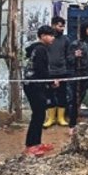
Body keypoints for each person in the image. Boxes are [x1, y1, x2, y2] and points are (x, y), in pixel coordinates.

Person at [23, 25, 58, 156]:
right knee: (38, 115)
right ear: (42, 36)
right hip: (34, 86)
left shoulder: (35, 48)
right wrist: (51, 81)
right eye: (50, 35)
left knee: (40, 114)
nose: (53, 38)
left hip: (33, 85)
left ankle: (37, 143)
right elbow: (41, 71)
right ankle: (30, 145)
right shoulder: (40, 49)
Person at [43, 16, 73, 128]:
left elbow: (68, 55)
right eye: (60, 26)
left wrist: (73, 57)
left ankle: (61, 118)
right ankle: (50, 118)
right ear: (53, 25)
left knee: (62, 95)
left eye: (63, 26)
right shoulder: (47, 39)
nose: (62, 28)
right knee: (49, 95)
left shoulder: (66, 40)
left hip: (62, 72)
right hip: (49, 72)